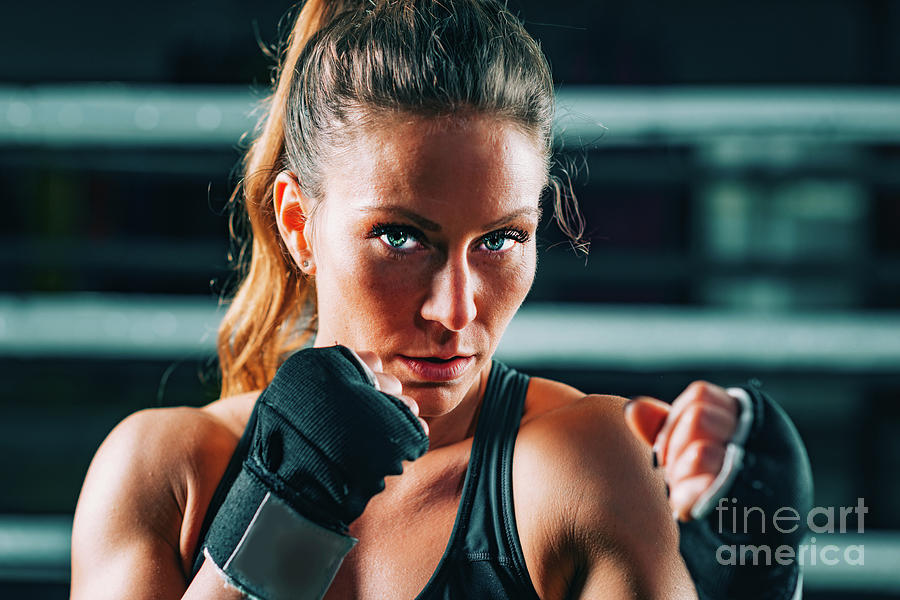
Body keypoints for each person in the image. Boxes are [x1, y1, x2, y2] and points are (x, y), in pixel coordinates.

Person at [71, 1, 813, 599]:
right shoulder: (165, 475)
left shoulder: (580, 468)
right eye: (400, 237)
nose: (455, 311)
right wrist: (278, 526)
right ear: (299, 223)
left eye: (499, 240)